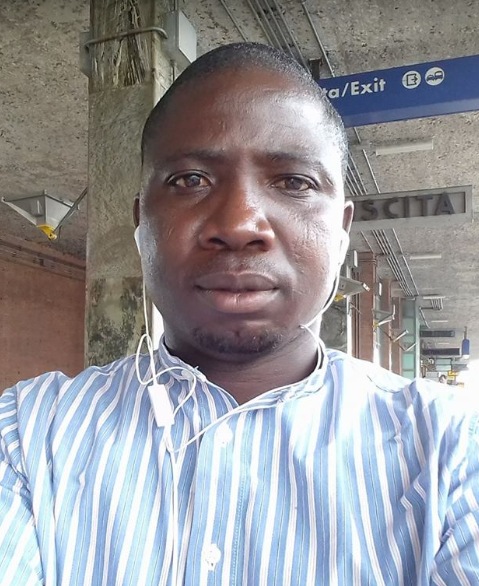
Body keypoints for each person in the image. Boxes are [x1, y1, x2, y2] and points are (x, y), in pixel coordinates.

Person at [0, 42, 478, 586]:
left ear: (342, 230)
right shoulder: (27, 436)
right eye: (190, 180)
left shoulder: (451, 449)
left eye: (294, 182)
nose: (239, 223)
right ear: (141, 223)